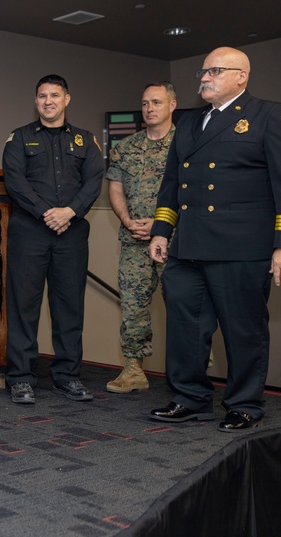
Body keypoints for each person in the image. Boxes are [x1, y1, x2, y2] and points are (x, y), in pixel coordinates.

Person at [148, 47, 281, 431]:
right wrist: (161, 229)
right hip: (188, 246)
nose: (204, 77)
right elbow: (173, 182)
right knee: (185, 328)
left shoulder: (271, 116)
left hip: (242, 247)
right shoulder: (188, 123)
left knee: (243, 329)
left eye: (215, 71)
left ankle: (244, 404)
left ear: (241, 76)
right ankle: (190, 398)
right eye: (203, 72)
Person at [2, 74, 105, 405]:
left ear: (67, 99)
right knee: (24, 307)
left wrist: (70, 213)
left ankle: (67, 376)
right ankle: (20, 378)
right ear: (36, 102)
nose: (48, 101)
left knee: (69, 308)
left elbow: (93, 181)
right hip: (30, 233)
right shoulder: (19, 139)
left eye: (55, 95)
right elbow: (15, 181)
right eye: (42, 96)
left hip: (71, 235)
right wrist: (49, 212)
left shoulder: (85, 141)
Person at [104, 83, 177, 393]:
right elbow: (116, 188)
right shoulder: (126, 146)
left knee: (183, 306)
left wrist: (161, 225)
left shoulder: (187, 144)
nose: (150, 108)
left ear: (172, 105)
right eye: (145, 102)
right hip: (134, 241)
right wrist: (127, 219)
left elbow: (194, 191)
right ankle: (133, 370)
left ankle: (190, 374)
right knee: (133, 307)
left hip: (176, 242)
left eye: (157, 102)